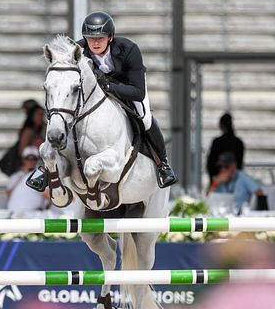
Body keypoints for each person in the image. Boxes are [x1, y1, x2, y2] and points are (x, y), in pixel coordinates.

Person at [27, 11, 177, 191]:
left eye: (101, 38)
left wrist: (108, 87)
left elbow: (137, 92)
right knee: (61, 111)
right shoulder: (79, 51)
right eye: (91, 38)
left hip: (128, 87)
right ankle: (45, 168)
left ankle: (163, 164)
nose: (95, 43)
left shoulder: (129, 50)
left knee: (145, 118)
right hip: (98, 91)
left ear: (110, 37)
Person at [7, 146, 49, 213]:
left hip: (20, 214)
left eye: (34, 158)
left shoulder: (37, 173)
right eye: (28, 158)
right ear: (23, 159)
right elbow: (51, 196)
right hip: (25, 214)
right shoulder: (36, 175)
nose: (31, 161)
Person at [206, 113, 245, 180]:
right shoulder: (239, 143)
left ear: (221, 125)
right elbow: (240, 164)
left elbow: (210, 164)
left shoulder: (217, 142)